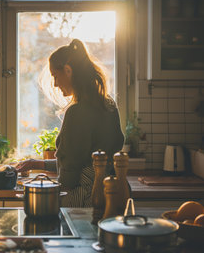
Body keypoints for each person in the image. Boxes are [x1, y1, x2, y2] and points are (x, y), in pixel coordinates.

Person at [16, 39, 124, 207]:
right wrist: (38, 163)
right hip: (112, 193)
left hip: (86, 197)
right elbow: (81, 161)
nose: (55, 84)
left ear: (68, 71)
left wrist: (54, 195)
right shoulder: (108, 104)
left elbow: (71, 171)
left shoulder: (78, 112)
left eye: (55, 76)